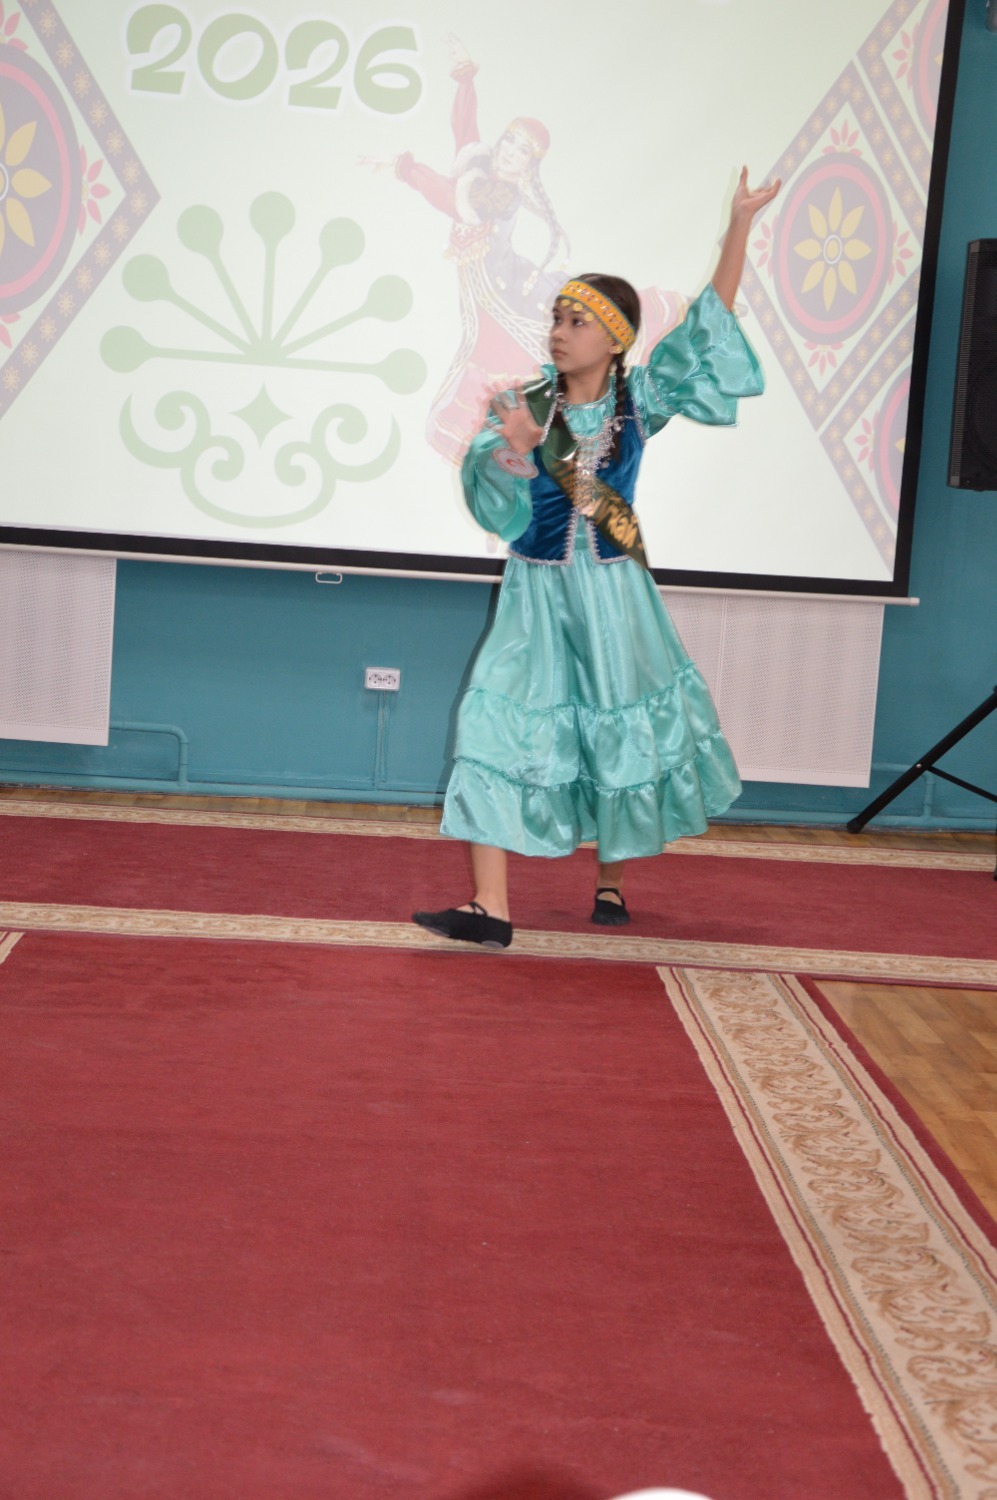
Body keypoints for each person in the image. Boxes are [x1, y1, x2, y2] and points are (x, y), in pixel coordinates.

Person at [413, 169, 780, 950]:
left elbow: (707, 327)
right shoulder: (523, 405)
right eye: (556, 316)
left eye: (577, 320)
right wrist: (512, 455)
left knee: (614, 729)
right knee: (490, 724)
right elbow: (490, 491)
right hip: (534, 596)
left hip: (613, 597)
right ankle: (489, 908)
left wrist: (738, 227)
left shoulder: (638, 400)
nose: (558, 330)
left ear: (614, 339)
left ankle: (610, 879)